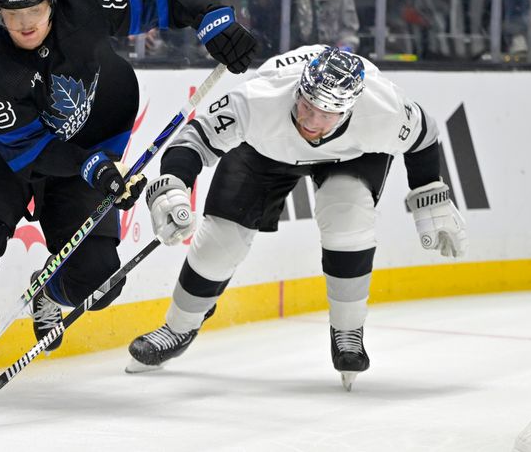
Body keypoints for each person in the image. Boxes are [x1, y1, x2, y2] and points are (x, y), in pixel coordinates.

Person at [0, 0, 258, 379]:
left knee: (99, 277)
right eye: (10, 14)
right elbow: (31, 151)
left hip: (91, 145)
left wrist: (213, 17)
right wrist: (96, 169)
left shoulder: (83, 0)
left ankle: (49, 294)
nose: (24, 24)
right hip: (11, 156)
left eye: (33, 8)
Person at [126, 44, 468, 390]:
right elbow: (194, 138)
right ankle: (179, 327)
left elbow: (425, 136)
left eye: (326, 114)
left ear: (350, 108)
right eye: (307, 105)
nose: (311, 122)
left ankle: (348, 330)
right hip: (265, 151)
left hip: (350, 155)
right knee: (219, 243)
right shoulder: (259, 99)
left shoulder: (382, 107)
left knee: (347, 216)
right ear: (298, 90)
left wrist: (431, 200)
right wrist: (172, 187)